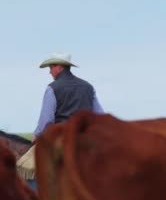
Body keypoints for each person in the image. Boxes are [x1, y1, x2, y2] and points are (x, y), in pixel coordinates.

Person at [17, 52, 105, 189]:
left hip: (62, 138)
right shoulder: (88, 87)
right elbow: (99, 115)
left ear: (59, 67)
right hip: (86, 138)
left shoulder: (52, 88)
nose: (50, 72)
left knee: (26, 167)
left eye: (51, 68)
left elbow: (47, 120)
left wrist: (37, 135)